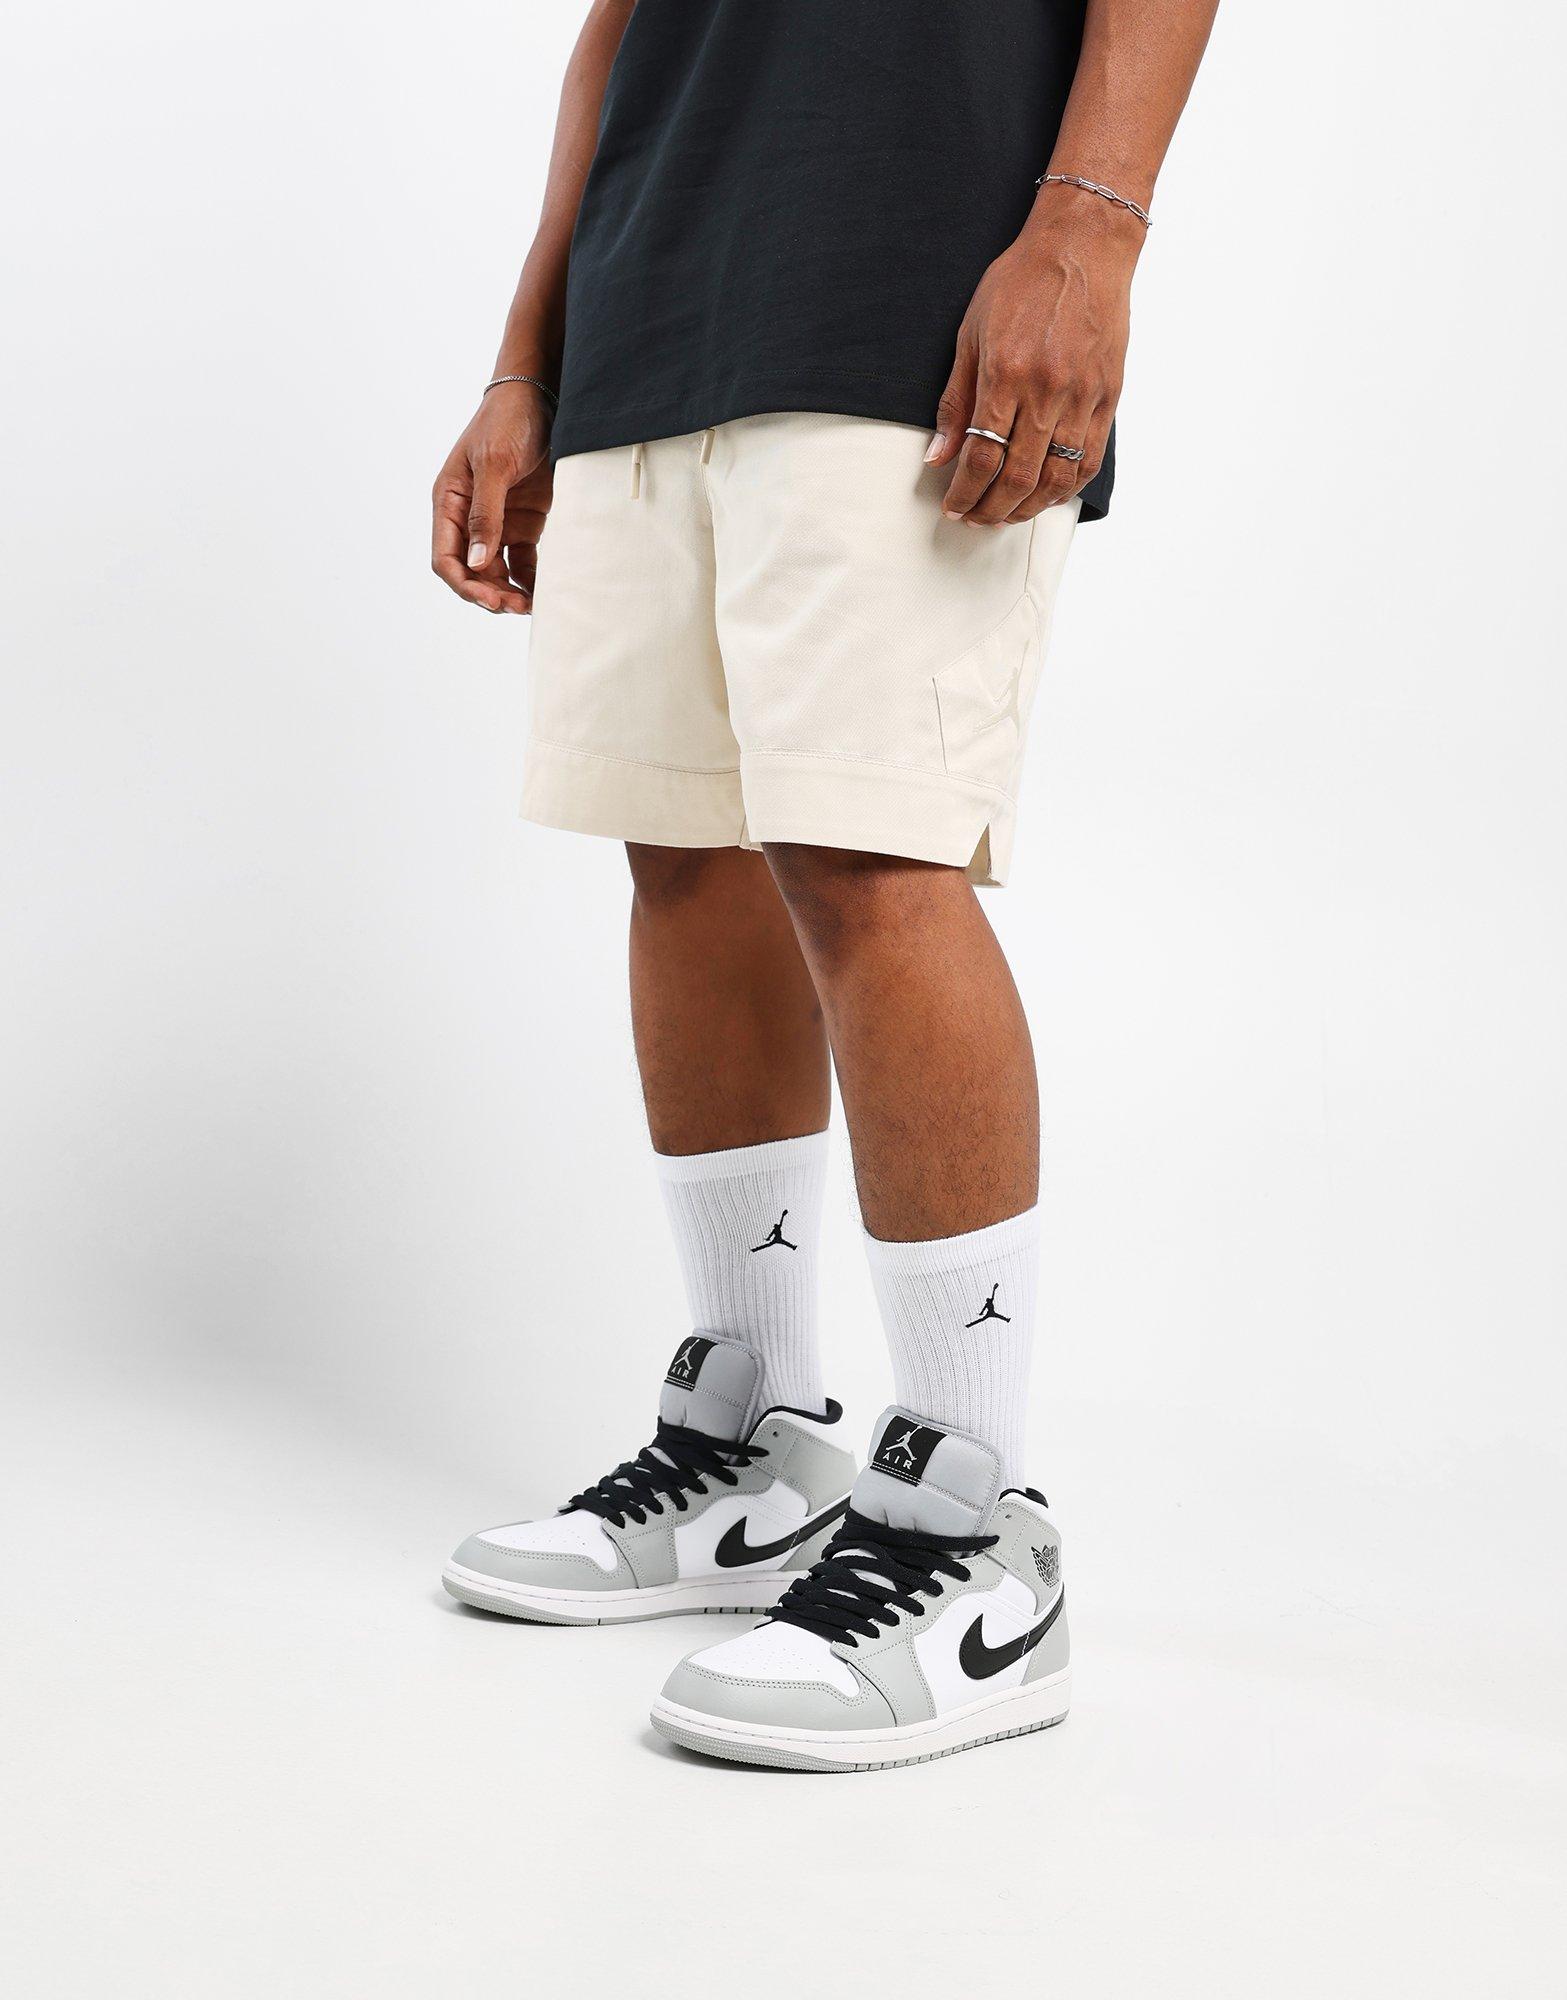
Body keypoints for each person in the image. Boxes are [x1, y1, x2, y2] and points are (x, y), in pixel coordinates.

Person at [433, 0, 1217, 1771]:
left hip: (910, 282)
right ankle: (755, 1442)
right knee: (684, 853)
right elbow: (619, 25)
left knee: (871, 854)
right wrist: (522, 360)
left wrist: (1089, 229)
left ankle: (970, 1525)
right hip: (652, 292)